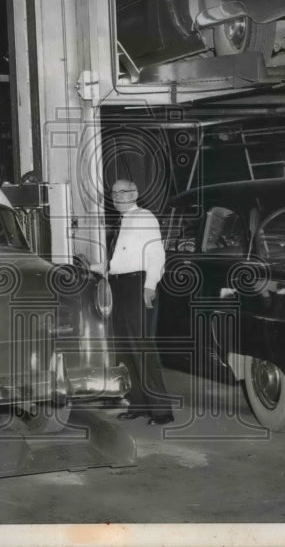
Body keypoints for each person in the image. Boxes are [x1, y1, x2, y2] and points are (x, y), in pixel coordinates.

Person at [101, 178, 174, 426]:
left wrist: (150, 286)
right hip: (119, 284)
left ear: (135, 193)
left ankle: (162, 410)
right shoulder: (122, 222)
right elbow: (118, 261)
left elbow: (157, 255)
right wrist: (93, 266)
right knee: (123, 347)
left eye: (124, 192)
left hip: (136, 285)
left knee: (141, 346)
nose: (118, 197)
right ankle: (139, 403)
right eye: (114, 193)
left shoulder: (145, 217)